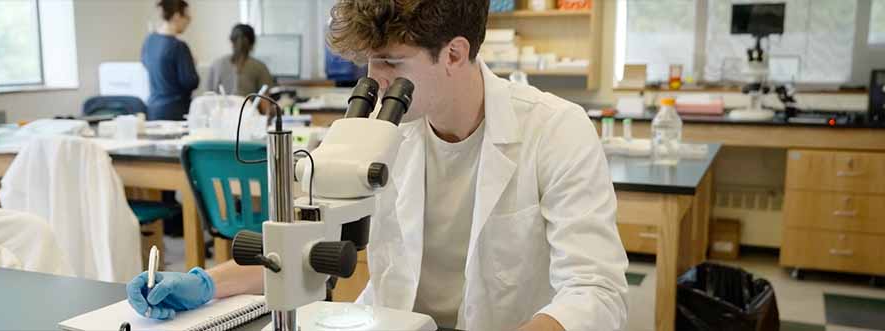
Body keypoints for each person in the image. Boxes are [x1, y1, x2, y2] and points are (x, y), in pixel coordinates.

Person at [126, 1, 629, 330]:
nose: (375, 80)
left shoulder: (556, 131)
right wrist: (208, 283)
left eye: (391, 63)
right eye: (369, 62)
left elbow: (596, 291)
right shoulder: (373, 135)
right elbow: (294, 247)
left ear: (454, 53)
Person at [141, 0, 199, 120]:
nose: (189, 21)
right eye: (187, 16)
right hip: (175, 111)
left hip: (153, 110)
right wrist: (192, 64)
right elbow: (190, 82)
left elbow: (147, 65)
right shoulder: (178, 46)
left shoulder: (149, 40)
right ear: (177, 16)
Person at [205, 24, 275, 96]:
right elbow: (209, 95)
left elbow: (209, 96)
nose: (240, 43)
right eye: (237, 39)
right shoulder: (260, 67)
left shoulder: (216, 64)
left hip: (236, 106)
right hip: (232, 106)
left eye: (242, 39)